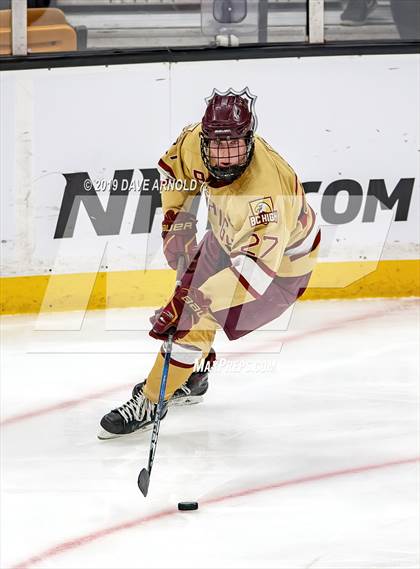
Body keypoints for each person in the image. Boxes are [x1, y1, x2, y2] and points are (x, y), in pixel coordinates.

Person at [98, 89, 320, 439]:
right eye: (217, 147)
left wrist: (192, 302)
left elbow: (251, 277)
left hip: (278, 271)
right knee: (186, 290)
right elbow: (175, 172)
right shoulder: (194, 141)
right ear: (204, 139)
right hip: (226, 234)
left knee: (196, 315)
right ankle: (194, 374)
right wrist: (178, 219)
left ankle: (152, 399)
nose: (225, 158)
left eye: (234, 147)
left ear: (249, 140)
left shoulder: (267, 195)